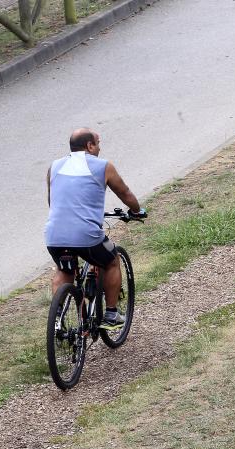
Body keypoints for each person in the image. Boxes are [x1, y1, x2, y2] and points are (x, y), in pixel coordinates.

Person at [45, 128, 144, 328]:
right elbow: (125, 193)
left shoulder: (53, 167)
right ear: (90, 146)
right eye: (98, 143)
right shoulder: (103, 166)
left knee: (65, 271)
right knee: (112, 260)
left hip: (54, 235)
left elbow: (52, 201)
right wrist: (137, 211)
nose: (99, 148)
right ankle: (111, 314)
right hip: (86, 236)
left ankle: (56, 322)